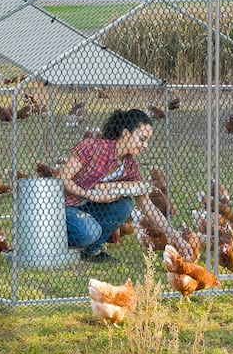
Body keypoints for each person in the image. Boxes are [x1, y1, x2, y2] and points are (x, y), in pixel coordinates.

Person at [58, 108, 193, 262]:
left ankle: (91, 251)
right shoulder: (92, 147)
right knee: (90, 232)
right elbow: (63, 179)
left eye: (147, 140)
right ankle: (54, 241)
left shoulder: (130, 166)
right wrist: (88, 194)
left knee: (125, 205)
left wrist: (175, 236)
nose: (145, 145)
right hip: (65, 207)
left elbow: (146, 205)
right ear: (126, 133)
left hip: (90, 208)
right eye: (142, 139)